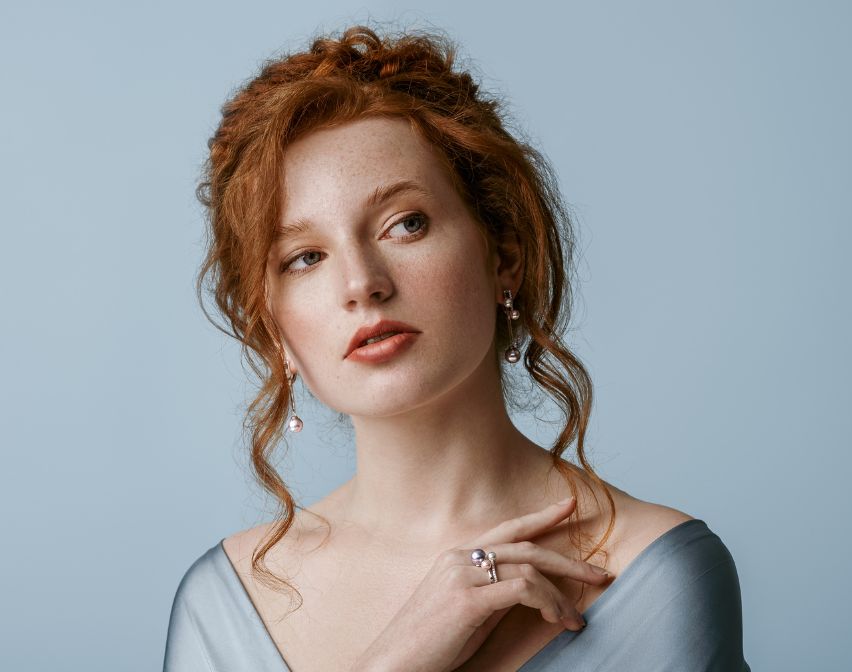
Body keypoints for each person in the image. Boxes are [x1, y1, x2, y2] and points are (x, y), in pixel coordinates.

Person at [163, 23, 750, 672]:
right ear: (276, 332)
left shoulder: (655, 577)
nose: (361, 283)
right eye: (305, 257)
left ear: (503, 254)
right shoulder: (224, 604)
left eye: (405, 223)